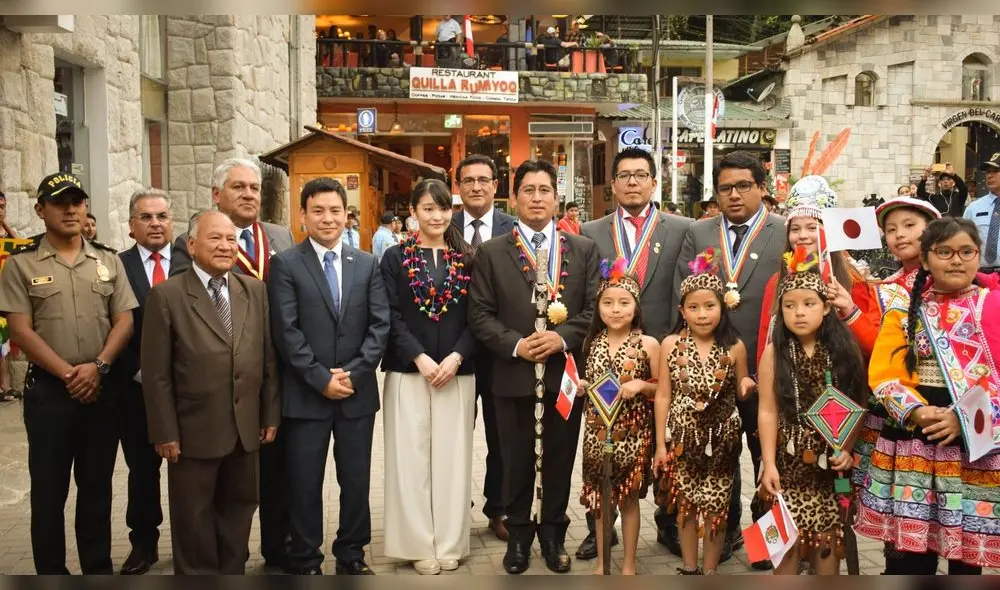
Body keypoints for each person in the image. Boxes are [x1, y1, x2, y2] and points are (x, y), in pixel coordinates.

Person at [0, 173, 136, 575]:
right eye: (61, 203)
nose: (72, 209)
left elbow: (124, 321)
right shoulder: (22, 264)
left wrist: (98, 367)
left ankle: (97, 570)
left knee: (96, 491)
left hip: (100, 391)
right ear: (41, 210)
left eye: (78, 201)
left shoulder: (108, 260)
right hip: (50, 396)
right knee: (48, 494)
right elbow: (21, 329)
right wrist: (69, 374)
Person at [469, 159, 599, 574]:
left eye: (544, 190)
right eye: (528, 190)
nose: (537, 198)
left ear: (555, 198)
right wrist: (516, 345)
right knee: (514, 460)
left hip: (564, 379)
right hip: (511, 376)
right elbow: (480, 314)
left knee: (559, 459)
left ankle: (554, 537)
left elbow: (595, 310)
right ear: (515, 196)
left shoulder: (581, 250)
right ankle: (519, 540)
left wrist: (562, 338)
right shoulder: (491, 252)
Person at [169, 158, 294, 569]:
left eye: (255, 188)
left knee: (269, 480)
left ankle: (276, 550)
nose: (249, 195)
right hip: (212, 395)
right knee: (208, 498)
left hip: (270, 378)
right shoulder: (192, 241)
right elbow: (186, 314)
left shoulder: (279, 235)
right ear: (216, 194)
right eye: (238, 187)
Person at [857, 217, 1000, 574]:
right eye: (945, 252)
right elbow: (885, 375)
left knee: (966, 560)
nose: (957, 260)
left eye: (967, 251)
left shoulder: (994, 307)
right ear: (925, 260)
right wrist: (916, 412)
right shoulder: (905, 310)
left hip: (973, 446)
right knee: (910, 558)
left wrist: (963, 419)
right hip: (915, 443)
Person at [142, 210, 279, 575]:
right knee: (194, 519)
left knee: (239, 512)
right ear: (191, 244)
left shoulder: (254, 290)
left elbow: (267, 360)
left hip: (244, 430)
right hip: (192, 433)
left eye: (231, 239)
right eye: (215, 238)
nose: (224, 246)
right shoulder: (167, 296)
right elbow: (156, 375)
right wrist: (165, 432)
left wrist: (268, 415)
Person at [267, 178, 390, 575]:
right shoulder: (285, 264)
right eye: (317, 210)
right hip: (306, 395)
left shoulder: (367, 262)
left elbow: (379, 326)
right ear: (302, 216)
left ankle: (352, 553)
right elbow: (286, 332)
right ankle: (305, 558)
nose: (327, 218)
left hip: (356, 394)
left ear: (346, 214)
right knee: (304, 483)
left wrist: (353, 372)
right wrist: (320, 378)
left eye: (335, 210)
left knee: (355, 481)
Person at [579, 146, 692, 558]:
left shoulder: (682, 228)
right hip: (609, 357)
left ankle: (668, 522)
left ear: (653, 182)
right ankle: (601, 530)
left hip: (659, 353)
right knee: (608, 443)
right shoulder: (590, 232)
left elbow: (686, 289)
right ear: (612, 184)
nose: (632, 182)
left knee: (667, 441)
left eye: (640, 174)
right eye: (624, 175)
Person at [674, 150, 786, 565]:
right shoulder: (700, 232)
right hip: (708, 377)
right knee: (717, 463)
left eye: (744, 186)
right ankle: (725, 539)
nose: (734, 195)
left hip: (764, 371)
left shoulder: (785, 231)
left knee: (765, 461)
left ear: (761, 188)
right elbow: (681, 293)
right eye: (725, 188)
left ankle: (767, 546)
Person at [381, 179, 477, 575]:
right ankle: (418, 543)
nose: (436, 216)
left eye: (442, 208)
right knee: (409, 459)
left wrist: (456, 357)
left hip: (458, 371)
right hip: (408, 372)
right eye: (427, 208)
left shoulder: (468, 258)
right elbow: (388, 313)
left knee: (454, 460)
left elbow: (479, 315)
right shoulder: (394, 257)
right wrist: (419, 357)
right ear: (414, 212)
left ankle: (451, 541)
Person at [757, 249, 867, 575]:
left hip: (829, 470)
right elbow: (766, 410)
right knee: (784, 559)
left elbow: (857, 405)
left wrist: (846, 451)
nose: (799, 313)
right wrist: (768, 464)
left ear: (827, 307)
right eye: (789, 306)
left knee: (827, 554)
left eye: (809, 304)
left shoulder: (844, 351)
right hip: (787, 465)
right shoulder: (774, 353)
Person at [653, 248, 754, 575]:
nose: (702, 314)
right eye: (693, 307)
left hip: (722, 442)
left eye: (710, 306)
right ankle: (689, 566)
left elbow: (741, 390)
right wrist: (659, 444)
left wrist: (751, 385)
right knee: (685, 504)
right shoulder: (670, 345)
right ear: (682, 311)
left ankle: (710, 571)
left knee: (716, 506)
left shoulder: (735, 346)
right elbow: (663, 396)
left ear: (723, 308)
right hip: (682, 441)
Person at [576, 259, 660, 575]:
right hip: (597, 436)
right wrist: (582, 387)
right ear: (598, 308)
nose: (615, 310)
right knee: (600, 502)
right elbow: (591, 381)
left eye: (624, 303)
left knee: (628, 501)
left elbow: (661, 389)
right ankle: (602, 561)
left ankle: (628, 563)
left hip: (634, 435)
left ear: (636, 307)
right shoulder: (592, 342)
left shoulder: (649, 344)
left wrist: (641, 384)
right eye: (607, 303)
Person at [453, 154, 516, 541]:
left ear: (496, 185)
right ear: (457, 186)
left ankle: (501, 507)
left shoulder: (514, 227)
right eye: (468, 180)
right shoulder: (442, 223)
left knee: (501, 434)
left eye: (484, 180)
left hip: (499, 349)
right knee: (453, 435)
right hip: (452, 351)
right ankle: (453, 509)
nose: (476, 186)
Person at [112, 188, 174, 575]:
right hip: (134, 390)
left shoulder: (192, 261)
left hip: (188, 391)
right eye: (146, 217)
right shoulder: (116, 266)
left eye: (162, 216)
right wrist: (142, 371)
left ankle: (191, 544)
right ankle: (143, 544)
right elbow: (113, 324)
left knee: (191, 472)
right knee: (142, 471)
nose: (155, 223)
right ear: (132, 225)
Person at [756, 176, 880, 365]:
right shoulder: (777, 282)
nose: (802, 236)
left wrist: (848, 309)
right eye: (795, 229)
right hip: (788, 386)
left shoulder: (850, 280)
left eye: (812, 227)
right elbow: (765, 344)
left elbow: (875, 349)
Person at [964, 152, 1000, 274]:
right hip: (981, 274)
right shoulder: (973, 208)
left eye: (995, 171)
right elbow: (963, 241)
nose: (989, 176)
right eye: (988, 172)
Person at [0, 190, 21, 402]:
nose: (0, 212)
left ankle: (5, 387)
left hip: (4, 294)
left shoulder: (7, 234)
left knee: (3, 344)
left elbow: (18, 250)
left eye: (2, 207)